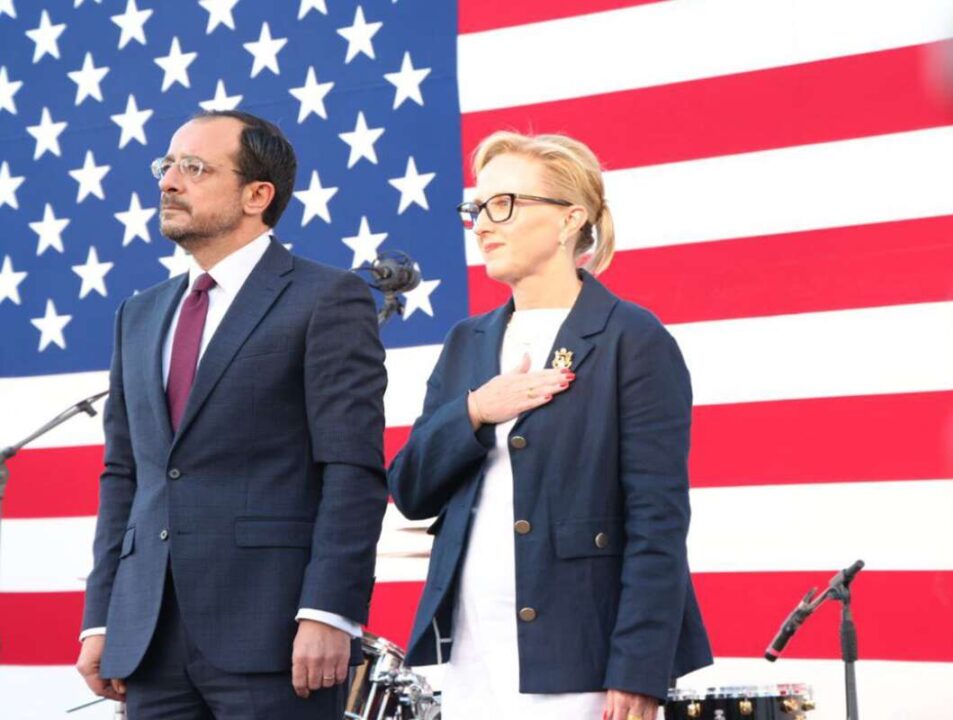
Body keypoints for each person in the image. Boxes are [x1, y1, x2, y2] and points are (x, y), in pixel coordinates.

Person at [387, 131, 713, 720]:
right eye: (477, 208)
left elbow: (657, 521)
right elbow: (410, 489)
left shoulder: (632, 339)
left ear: (569, 219)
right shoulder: (467, 341)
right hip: (470, 656)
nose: (482, 224)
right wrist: (475, 411)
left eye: (503, 204)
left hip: (580, 659)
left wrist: (638, 668)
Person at [74, 110, 388, 719]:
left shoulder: (326, 297)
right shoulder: (138, 314)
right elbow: (125, 475)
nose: (169, 182)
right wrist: (102, 616)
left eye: (195, 168)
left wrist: (329, 611)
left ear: (257, 195)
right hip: (148, 639)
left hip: (274, 634)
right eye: (167, 166)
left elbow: (351, 468)